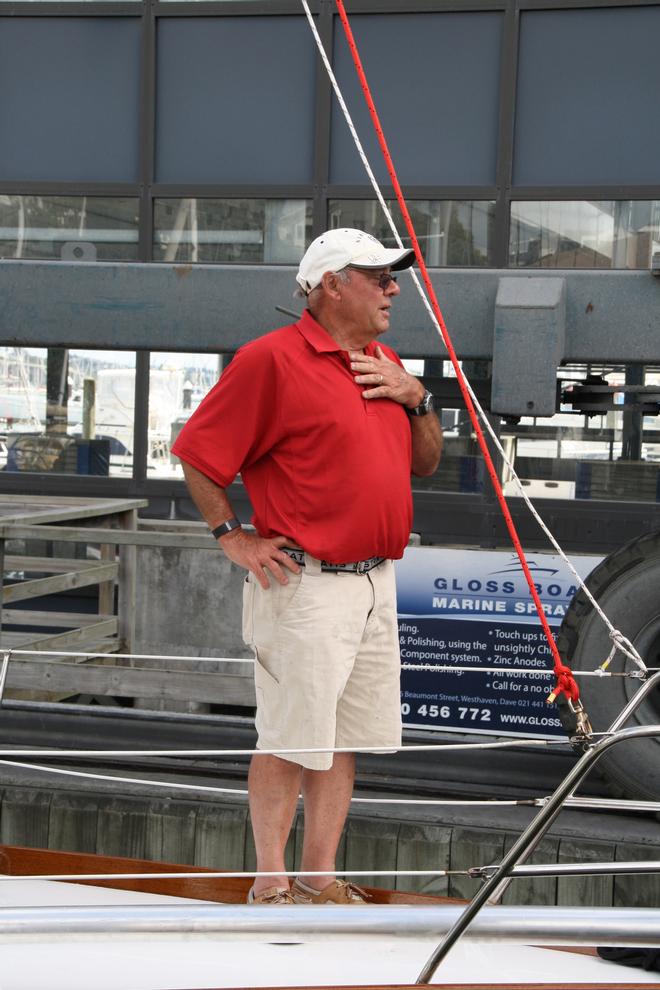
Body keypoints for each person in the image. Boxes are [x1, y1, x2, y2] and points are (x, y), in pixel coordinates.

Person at [172, 228, 443, 905]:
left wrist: (419, 399)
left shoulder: (385, 361)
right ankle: (271, 880)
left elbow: (427, 463)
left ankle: (318, 877)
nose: (394, 287)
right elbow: (200, 455)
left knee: (339, 739)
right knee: (292, 736)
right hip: (307, 583)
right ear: (331, 284)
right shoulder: (271, 360)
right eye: (378, 275)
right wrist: (232, 535)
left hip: (376, 582)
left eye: (392, 276)